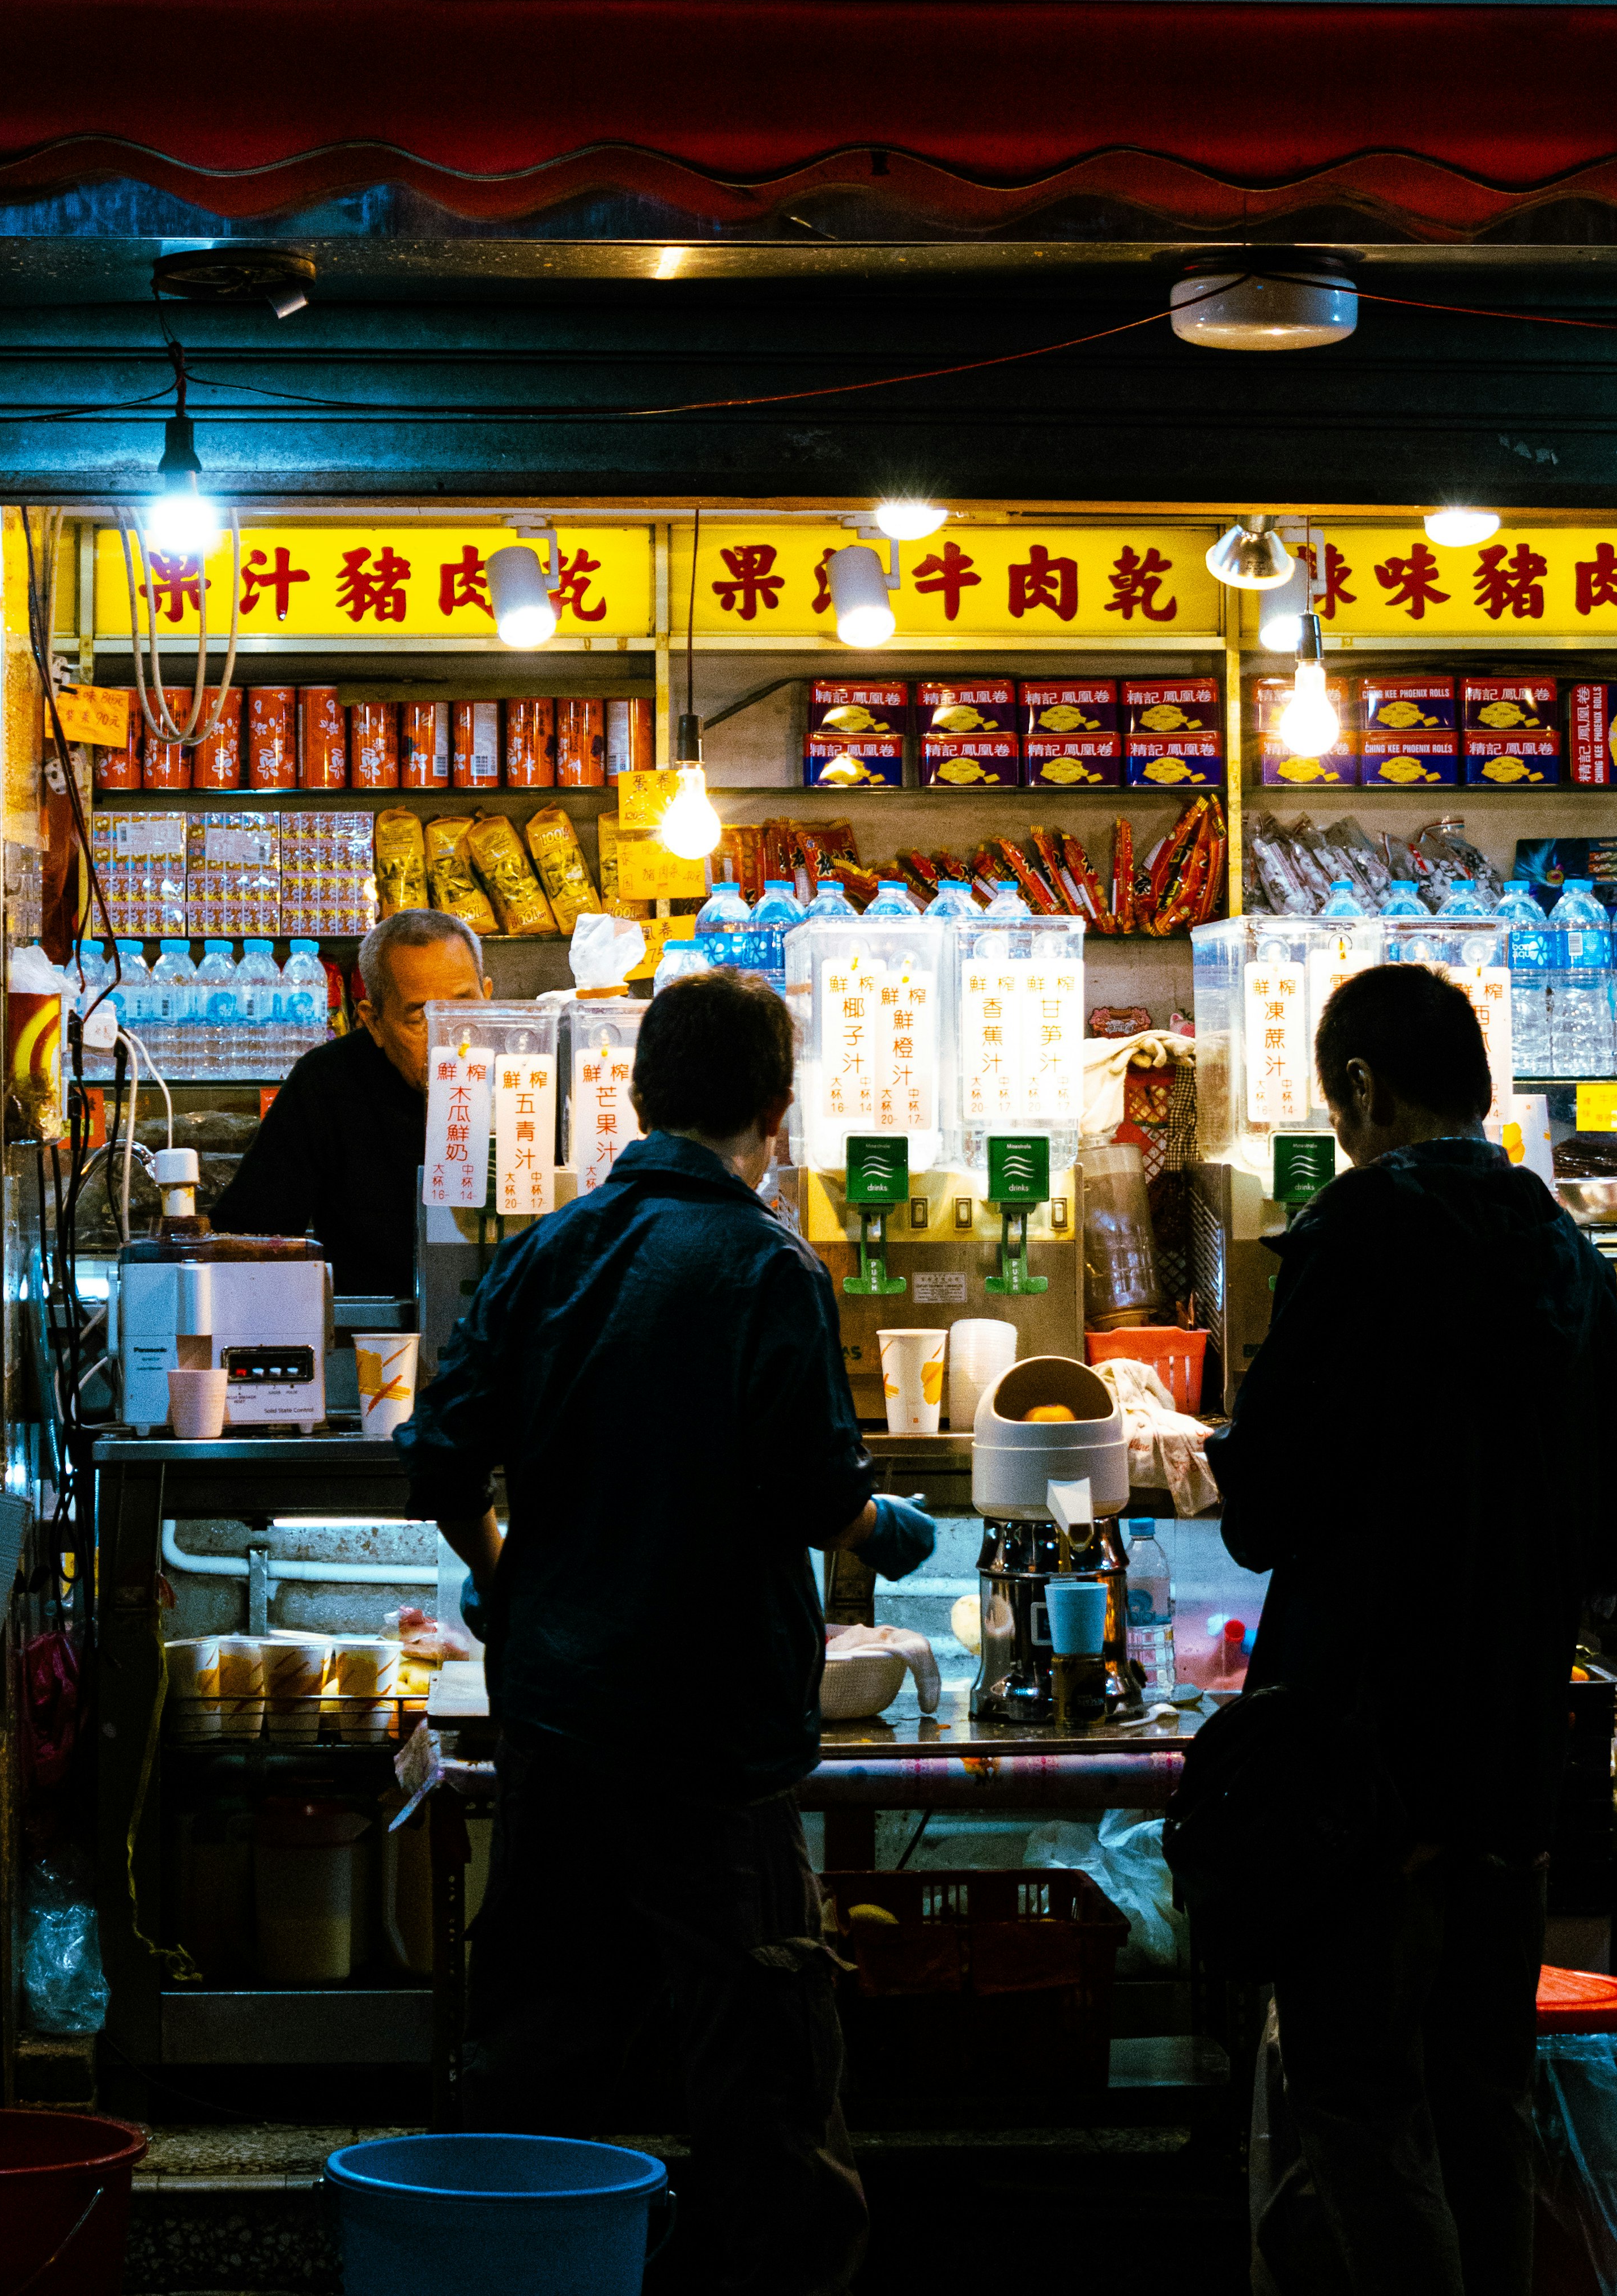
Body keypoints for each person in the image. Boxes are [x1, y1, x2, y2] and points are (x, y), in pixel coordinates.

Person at [395, 967, 935, 2296]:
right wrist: (884, 1525)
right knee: (760, 2065)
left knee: (537, 2040)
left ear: (637, 1094)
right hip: (709, 1738)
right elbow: (818, 1492)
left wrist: (508, 1570)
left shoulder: (544, 1250)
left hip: (557, 1722)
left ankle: (520, 2265)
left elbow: (439, 1461)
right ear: (777, 1104)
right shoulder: (765, 1261)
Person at [1208, 959, 1617, 2296]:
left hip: (1360, 1765)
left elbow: (1264, 1508)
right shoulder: (1567, 1251)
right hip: (1510, 1761)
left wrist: (1221, 1458)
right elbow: (1604, 1510)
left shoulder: (1357, 1233)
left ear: (1359, 1086)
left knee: (1355, 2099)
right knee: (1478, 2104)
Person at [214, 907, 490, 1298]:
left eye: (464, 1007)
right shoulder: (327, 1080)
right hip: (369, 1338)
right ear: (373, 1021)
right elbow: (247, 1237)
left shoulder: (528, 1073)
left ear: (489, 996)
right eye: (421, 1017)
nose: (451, 1037)